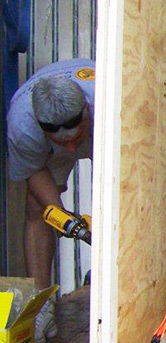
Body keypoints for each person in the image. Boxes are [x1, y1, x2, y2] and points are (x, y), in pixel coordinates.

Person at [6, 58, 95, 342]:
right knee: (37, 208)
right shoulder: (22, 125)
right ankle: (41, 306)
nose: (71, 148)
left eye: (73, 139)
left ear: (86, 110)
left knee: (123, 197)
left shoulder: (106, 98)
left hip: (98, 130)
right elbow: (34, 171)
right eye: (62, 142)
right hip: (47, 149)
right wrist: (64, 217)